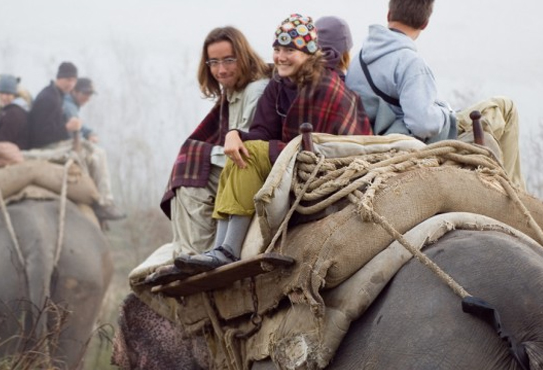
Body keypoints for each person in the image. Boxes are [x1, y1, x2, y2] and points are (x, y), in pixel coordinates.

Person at [174, 14, 373, 273]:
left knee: (253, 153)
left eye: (290, 50)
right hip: (288, 158)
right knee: (241, 152)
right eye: (277, 49)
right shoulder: (279, 84)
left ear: (310, 53)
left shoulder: (326, 89)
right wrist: (235, 134)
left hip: (321, 167)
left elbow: (321, 149)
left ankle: (228, 250)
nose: (280, 57)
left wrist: (260, 147)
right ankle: (220, 247)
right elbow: (261, 130)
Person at [346, 0, 525, 188]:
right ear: (425, 24)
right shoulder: (410, 63)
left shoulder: (360, 57)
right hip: (416, 140)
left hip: (379, 137)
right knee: (505, 107)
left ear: (389, 15)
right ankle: (515, 192)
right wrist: (443, 111)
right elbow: (424, 125)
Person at [160, 26, 270, 256]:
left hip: (252, 168)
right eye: (214, 62)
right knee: (187, 170)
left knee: (191, 174)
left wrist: (201, 155)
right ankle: (184, 251)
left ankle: (195, 252)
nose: (220, 70)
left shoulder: (256, 91)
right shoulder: (231, 94)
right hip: (236, 166)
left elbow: (248, 146)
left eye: (228, 60)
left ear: (243, 56)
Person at [27, 63, 125, 220]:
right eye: (67, 79)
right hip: (46, 147)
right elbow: (41, 134)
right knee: (97, 153)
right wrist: (67, 128)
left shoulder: (56, 95)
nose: (70, 83)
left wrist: (78, 130)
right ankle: (104, 201)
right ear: (59, 77)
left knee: (92, 150)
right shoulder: (50, 98)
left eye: (73, 80)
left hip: (54, 142)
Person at [63, 77, 98, 143]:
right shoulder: (68, 106)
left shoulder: (70, 103)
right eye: (85, 93)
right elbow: (75, 129)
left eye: (90, 94)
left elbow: (79, 124)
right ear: (74, 91)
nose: (88, 98)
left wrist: (89, 133)